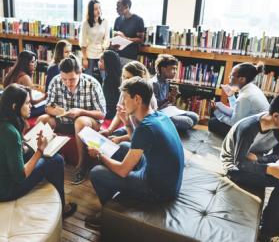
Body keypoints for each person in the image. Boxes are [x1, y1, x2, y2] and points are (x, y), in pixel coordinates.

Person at [85, 77, 185, 230]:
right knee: (124, 146)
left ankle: (110, 215)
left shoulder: (146, 127)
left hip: (158, 190)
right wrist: (126, 122)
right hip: (169, 182)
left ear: (137, 99)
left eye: (125, 98)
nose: (122, 103)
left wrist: (99, 155)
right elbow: (136, 142)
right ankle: (120, 197)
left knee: (97, 172)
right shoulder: (159, 116)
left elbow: (123, 171)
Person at [0, 84, 77, 217]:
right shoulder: (10, 132)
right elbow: (19, 177)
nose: (31, 106)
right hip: (2, 192)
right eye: (27, 103)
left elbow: (10, 150)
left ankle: (51, 196)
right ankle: (62, 209)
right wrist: (39, 151)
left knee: (33, 151)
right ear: (14, 107)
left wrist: (31, 147)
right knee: (56, 160)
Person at [220, 92, 279, 240]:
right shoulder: (249, 127)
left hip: (253, 162)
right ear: (276, 116)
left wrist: (260, 158)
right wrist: (269, 169)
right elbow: (241, 162)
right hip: (234, 168)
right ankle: (268, 230)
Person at [37, 57, 106, 185]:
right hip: (63, 121)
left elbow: (101, 114)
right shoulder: (55, 81)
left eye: (72, 79)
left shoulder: (92, 83)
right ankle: (42, 158)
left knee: (80, 121)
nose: (68, 83)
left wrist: (81, 112)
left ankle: (81, 165)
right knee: (43, 119)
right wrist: (58, 111)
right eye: (64, 79)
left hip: (88, 122)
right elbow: (48, 107)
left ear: (80, 73)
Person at [100, 61, 158, 144]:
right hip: (131, 126)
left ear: (138, 79)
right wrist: (109, 130)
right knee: (112, 135)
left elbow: (141, 133)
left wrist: (120, 139)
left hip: (141, 131)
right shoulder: (126, 90)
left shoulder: (146, 97)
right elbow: (119, 114)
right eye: (123, 77)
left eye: (128, 78)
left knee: (120, 144)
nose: (124, 81)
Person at [208, 62, 269, 137]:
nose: (229, 77)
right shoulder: (252, 88)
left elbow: (234, 123)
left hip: (252, 134)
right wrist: (230, 96)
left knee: (212, 122)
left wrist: (217, 112)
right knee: (217, 115)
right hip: (257, 128)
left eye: (231, 75)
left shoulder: (245, 97)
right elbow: (237, 112)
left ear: (242, 79)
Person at [151, 54, 199, 131]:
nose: (175, 72)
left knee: (195, 117)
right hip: (159, 115)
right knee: (188, 122)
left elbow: (167, 103)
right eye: (173, 69)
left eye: (176, 69)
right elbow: (154, 108)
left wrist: (171, 98)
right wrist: (167, 100)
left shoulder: (166, 81)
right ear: (163, 69)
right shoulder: (154, 84)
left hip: (167, 110)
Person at [3, 50, 46, 117]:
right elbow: (31, 102)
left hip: (8, 108)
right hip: (19, 111)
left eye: (35, 62)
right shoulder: (25, 77)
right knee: (47, 106)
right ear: (25, 63)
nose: (35, 64)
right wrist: (45, 97)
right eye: (32, 62)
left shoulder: (11, 73)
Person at [79, 0, 110, 80]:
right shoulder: (85, 23)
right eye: (96, 9)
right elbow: (83, 42)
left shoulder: (105, 21)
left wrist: (104, 50)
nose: (98, 11)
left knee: (104, 78)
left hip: (101, 54)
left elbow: (107, 38)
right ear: (91, 10)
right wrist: (85, 58)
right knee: (88, 79)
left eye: (99, 8)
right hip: (89, 54)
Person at [111, 0, 145, 66]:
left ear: (126, 7)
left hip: (130, 57)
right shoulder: (117, 20)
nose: (116, 9)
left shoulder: (138, 20)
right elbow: (116, 37)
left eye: (118, 6)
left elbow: (141, 39)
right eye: (116, 6)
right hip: (117, 56)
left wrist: (125, 38)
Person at [99, 50, 121, 119]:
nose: (98, 63)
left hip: (111, 115)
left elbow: (108, 103)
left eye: (101, 61)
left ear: (108, 63)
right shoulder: (118, 75)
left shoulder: (109, 81)